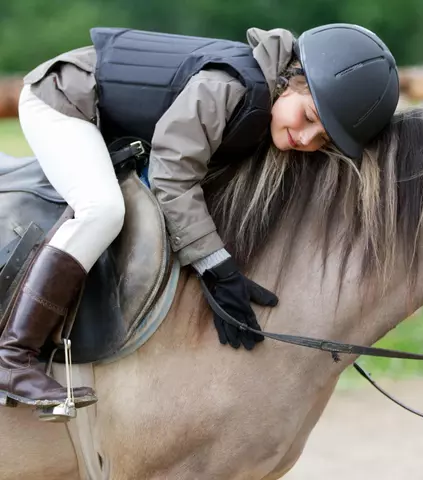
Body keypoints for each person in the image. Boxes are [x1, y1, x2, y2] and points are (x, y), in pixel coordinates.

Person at [3, 23, 400, 409]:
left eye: (323, 140)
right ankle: (13, 356)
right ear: (291, 79)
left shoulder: (269, 105)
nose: (307, 140)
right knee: (102, 211)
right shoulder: (226, 88)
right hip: (62, 101)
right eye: (311, 118)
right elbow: (171, 175)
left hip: (105, 114)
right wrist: (216, 266)